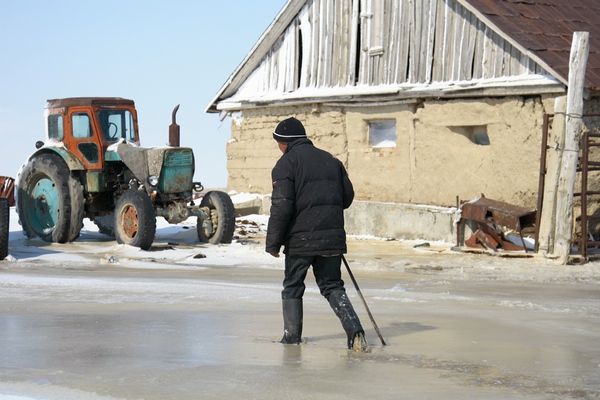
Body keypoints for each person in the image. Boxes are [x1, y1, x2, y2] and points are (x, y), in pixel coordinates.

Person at [265, 117, 370, 352]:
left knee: (292, 286)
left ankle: (291, 338)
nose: (278, 147)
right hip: (331, 239)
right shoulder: (331, 161)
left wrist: (273, 243)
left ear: (284, 142)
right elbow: (347, 198)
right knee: (333, 286)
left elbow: (281, 206)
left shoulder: (285, 164)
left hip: (300, 240)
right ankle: (356, 333)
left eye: (278, 143)